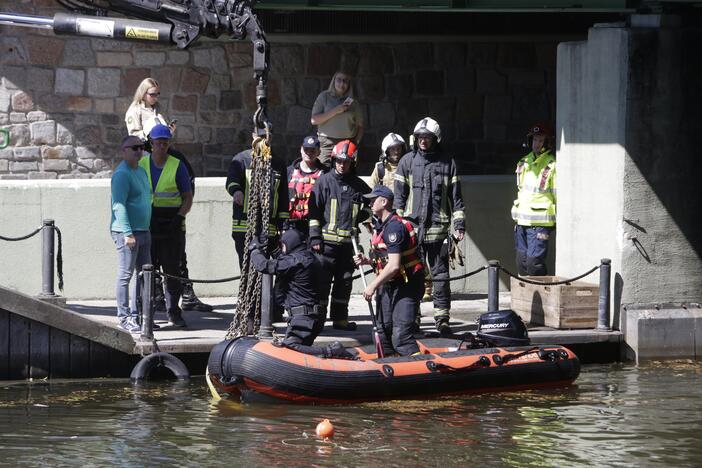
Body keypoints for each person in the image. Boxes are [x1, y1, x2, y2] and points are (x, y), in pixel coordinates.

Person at [394, 117, 466, 335]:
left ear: (436, 139)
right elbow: (399, 198)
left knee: (441, 277)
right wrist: (397, 227)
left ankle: (442, 319)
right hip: (412, 233)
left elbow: (457, 199)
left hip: (439, 232)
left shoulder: (448, 163)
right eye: (420, 138)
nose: (423, 141)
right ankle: (412, 319)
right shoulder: (406, 162)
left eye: (427, 137)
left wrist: (459, 224)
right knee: (413, 278)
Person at [248, 228, 354, 358]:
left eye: (283, 245)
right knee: (299, 354)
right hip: (313, 316)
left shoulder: (296, 260)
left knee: (290, 348)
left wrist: (254, 250)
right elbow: (285, 262)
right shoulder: (310, 257)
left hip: (304, 319)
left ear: (291, 243)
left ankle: (332, 351)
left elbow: (264, 266)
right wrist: (273, 248)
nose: (282, 248)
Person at [309, 139, 371, 331]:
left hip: (348, 246)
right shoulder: (324, 181)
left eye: (346, 161)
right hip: (326, 245)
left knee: (344, 283)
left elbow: (374, 203)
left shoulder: (358, 185)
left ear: (353, 163)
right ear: (334, 160)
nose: (342, 165)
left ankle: (340, 319)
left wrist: (364, 215)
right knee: (322, 283)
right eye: (339, 161)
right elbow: (314, 211)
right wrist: (315, 237)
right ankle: (317, 321)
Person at [353, 186, 423, 356]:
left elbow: (393, 266)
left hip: (406, 284)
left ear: (384, 202)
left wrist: (372, 286)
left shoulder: (394, 228)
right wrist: (368, 261)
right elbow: (385, 260)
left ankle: (417, 372)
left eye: (373, 200)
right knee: (382, 332)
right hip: (389, 284)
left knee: (401, 336)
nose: (369, 203)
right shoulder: (380, 226)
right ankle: (389, 366)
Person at [138, 124, 192, 328]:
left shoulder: (177, 165)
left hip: (171, 225)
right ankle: (147, 315)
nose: (161, 146)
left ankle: (174, 312)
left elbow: (187, 197)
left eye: (165, 142)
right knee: (147, 272)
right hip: (147, 223)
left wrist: (179, 218)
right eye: (158, 142)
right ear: (151, 144)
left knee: (172, 271)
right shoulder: (141, 164)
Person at [225, 139, 289, 269]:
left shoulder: (278, 163)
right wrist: (236, 191)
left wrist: (283, 226)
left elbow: (282, 198)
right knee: (247, 269)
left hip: (269, 228)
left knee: (266, 269)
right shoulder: (241, 159)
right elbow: (232, 181)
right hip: (244, 227)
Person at [110, 136, 152, 333]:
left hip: (144, 231)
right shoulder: (121, 174)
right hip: (127, 232)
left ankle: (138, 316)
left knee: (143, 276)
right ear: (124, 150)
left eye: (141, 147)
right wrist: (127, 233)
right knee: (126, 274)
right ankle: (124, 317)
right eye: (134, 148)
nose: (139, 151)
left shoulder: (141, 171)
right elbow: (119, 206)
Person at [512, 123, 556, 276]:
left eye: (540, 140)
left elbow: (557, 195)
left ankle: (541, 298)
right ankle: (525, 298)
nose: (536, 144)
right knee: (522, 263)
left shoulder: (553, 165)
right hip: (521, 222)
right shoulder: (524, 162)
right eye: (534, 140)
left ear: (548, 143)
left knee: (534, 263)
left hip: (540, 223)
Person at [310, 71, 364, 167]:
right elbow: (314, 120)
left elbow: (360, 126)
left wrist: (356, 142)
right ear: (333, 81)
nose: (342, 83)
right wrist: (336, 110)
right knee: (324, 171)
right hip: (327, 142)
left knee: (347, 173)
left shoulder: (353, 102)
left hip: (347, 142)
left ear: (349, 85)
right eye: (339, 80)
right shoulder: (324, 97)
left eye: (345, 81)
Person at [286, 135, 327, 234]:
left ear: (319, 152)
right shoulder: (289, 171)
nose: (309, 153)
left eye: (313, 150)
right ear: (301, 149)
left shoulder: (325, 174)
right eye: (306, 149)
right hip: (291, 225)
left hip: (315, 227)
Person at [125, 77, 176, 143]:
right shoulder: (135, 110)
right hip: (145, 149)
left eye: (157, 94)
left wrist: (170, 130)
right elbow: (133, 135)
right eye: (152, 95)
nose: (156, 98)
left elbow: (166, 126)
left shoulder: (159, 107)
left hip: (162, 146)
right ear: (143, 93)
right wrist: (148, 133)